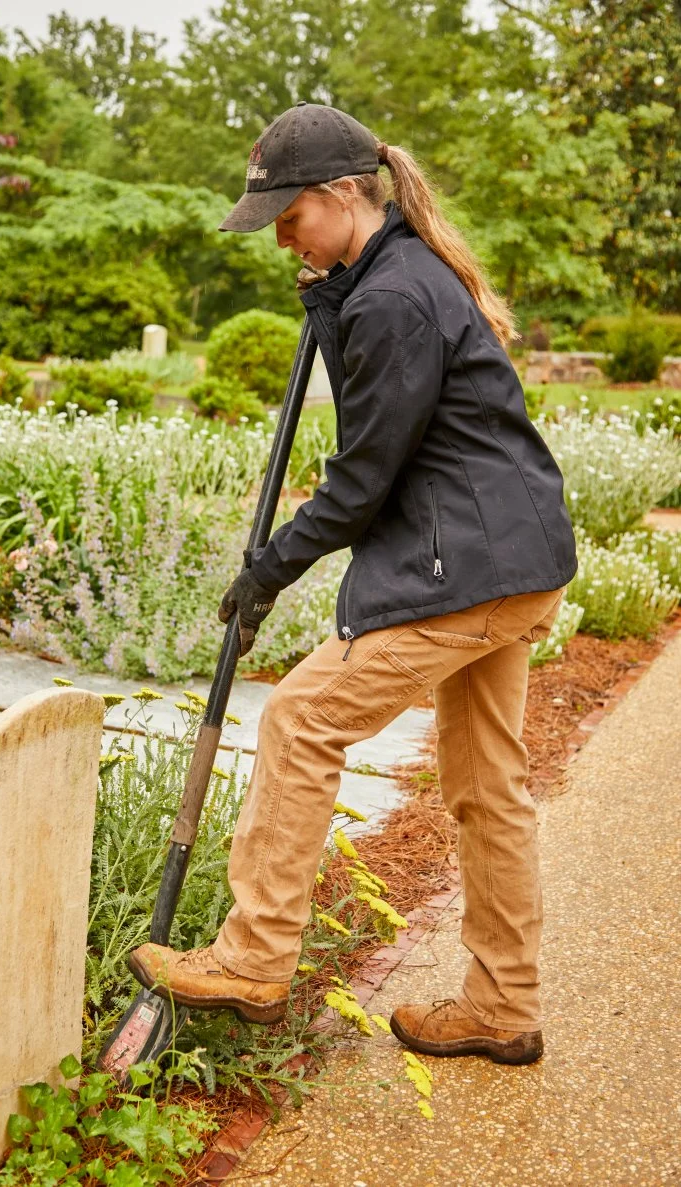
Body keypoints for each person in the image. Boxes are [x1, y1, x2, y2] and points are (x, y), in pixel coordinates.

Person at [130, 102, 577, 1067]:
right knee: (486, 786)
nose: (281, 234)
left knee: (300, 717)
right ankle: (505, 1004)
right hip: (511, 557)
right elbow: (391, 430)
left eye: (289, 214)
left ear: (342, 195)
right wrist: (331, 303)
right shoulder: (390, 274)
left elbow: (363, 478)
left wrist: (268, 570)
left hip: (465, 565)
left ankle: (254, 957)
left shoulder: (390, 294)